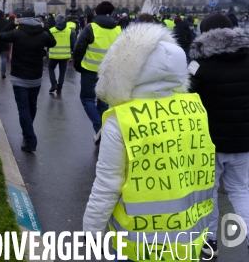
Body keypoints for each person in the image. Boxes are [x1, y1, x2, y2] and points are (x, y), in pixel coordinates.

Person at [83, 23, 215, 261]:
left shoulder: (121, 119)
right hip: (187, 237)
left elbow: (107, 184)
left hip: (136, 241)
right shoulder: (194, 109)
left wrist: (91, 231)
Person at [187, 14, 249, 258]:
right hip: (243, 139)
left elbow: (187, 99)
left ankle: (209, 241)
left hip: (208, 142)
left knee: (208, 193)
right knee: (241, 190)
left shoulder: (198, 65)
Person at [0, 11, 56, 152]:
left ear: (21, 20)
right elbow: (53, 42)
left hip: (19, 76)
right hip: (36, 76)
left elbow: (0, 36)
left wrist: (12, 23)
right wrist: (45, 27)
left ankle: (30, 139)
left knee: (23, 109)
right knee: (32, 106)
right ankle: (27, 131)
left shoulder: (17, 33)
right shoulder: (42, 34)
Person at [72, 1, 121, 145]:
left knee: (87, 100)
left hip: (90, 70)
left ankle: (99, 128)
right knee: (103, 104)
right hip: (110, 72)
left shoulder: (90, 28)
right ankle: (103, 135)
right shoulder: (118, 29)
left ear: (97, 13)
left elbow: (79, 48)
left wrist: (78, 65)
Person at [48, 14, 76, 94]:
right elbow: (73, 43)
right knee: (62, 72)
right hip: (65, 55)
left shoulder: (52, 30)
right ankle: (59, 87)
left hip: (53, 55)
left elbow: (48, 42)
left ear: (56, 21)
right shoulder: (69, 30)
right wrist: (72, 54)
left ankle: (53, 84)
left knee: (51, 69)